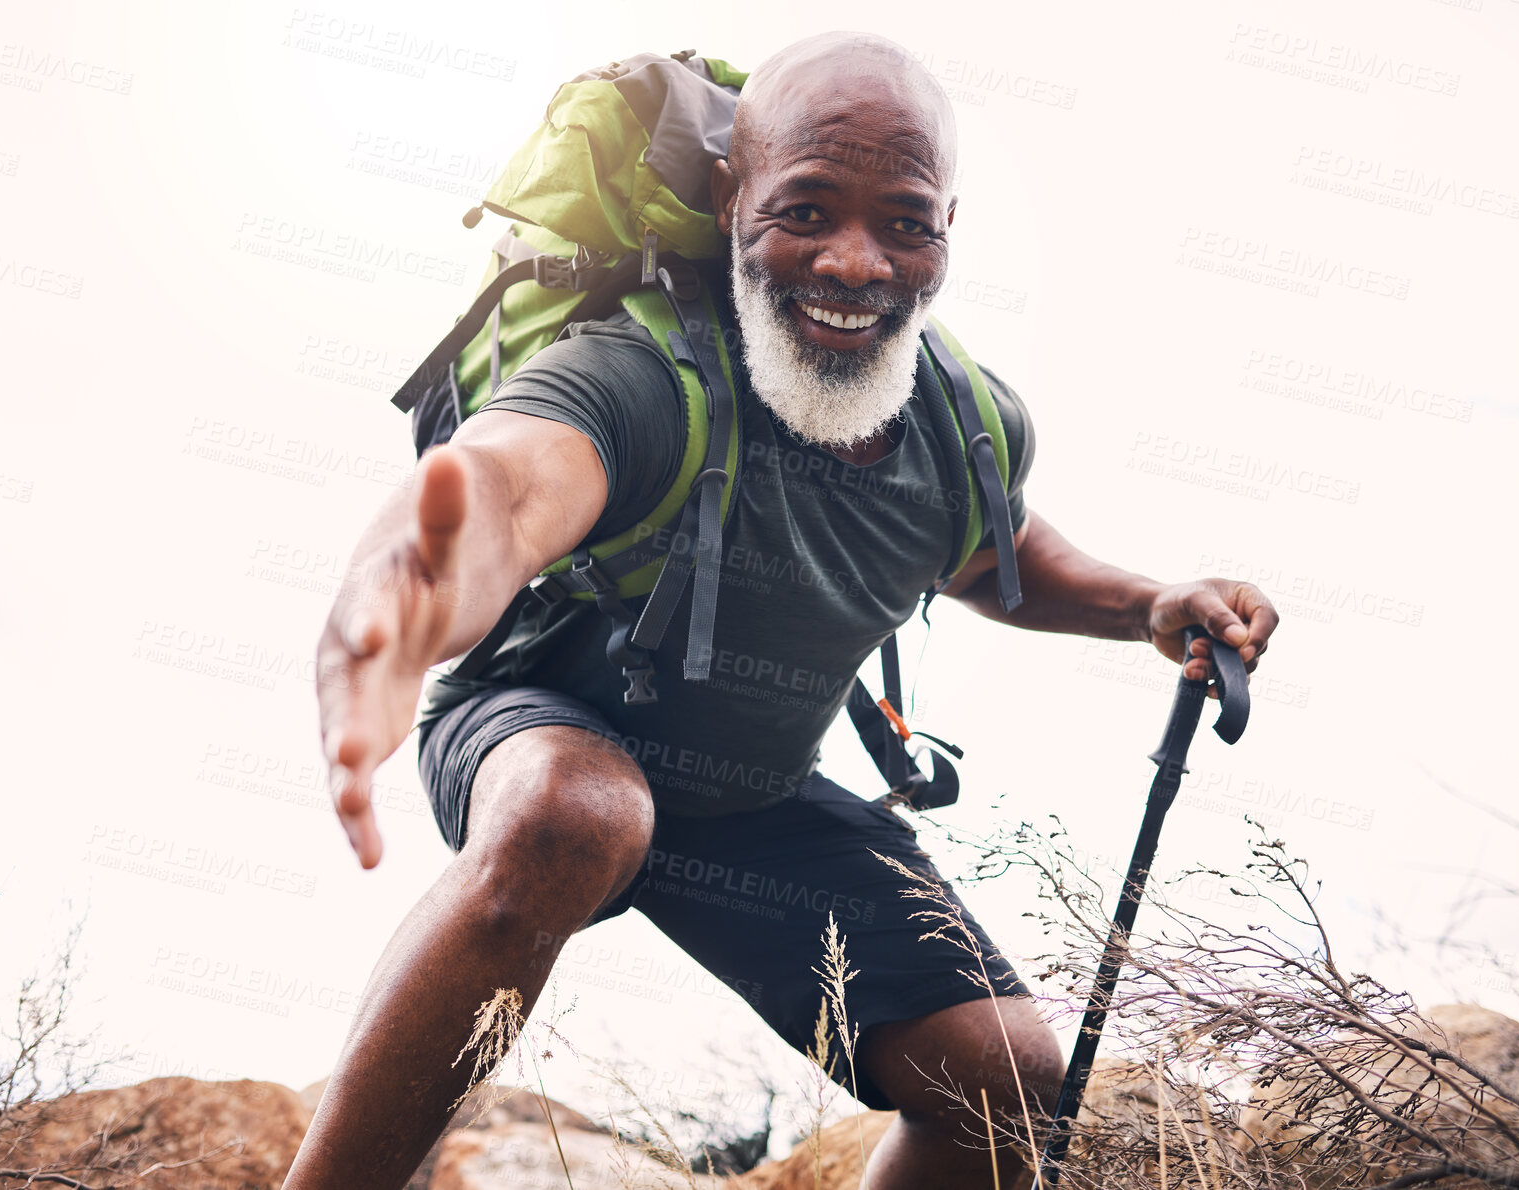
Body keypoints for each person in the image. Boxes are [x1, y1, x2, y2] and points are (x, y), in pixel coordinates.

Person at [287, 31, 1279, 1190]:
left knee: (1006, 1078)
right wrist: (391, 614)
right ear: (732, 195)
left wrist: (1146, 601)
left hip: (746, 796)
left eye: (905, 222)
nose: (856, 263)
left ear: (947, 227)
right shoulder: (646, 373)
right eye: (806, 209)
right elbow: (502, 490)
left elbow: (987, 545)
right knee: (582, 810)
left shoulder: (966, 423)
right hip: (538, 724)